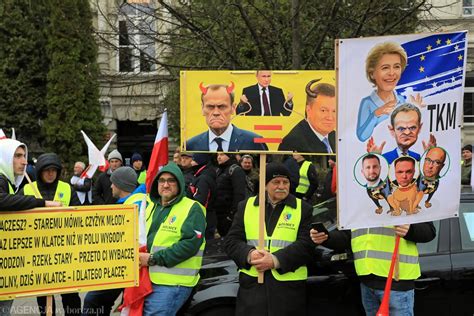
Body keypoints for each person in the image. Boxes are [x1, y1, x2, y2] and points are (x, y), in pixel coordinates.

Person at [225, 162, 313, 315]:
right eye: (276, 182)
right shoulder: (246, 206)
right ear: (264, 185)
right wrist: (249, 254)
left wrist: (275, 260)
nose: (281, 186)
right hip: (253, 289)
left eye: (285, 182)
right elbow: (232, 241)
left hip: (288, 290)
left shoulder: (303, 208)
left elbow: (306, 245)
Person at [311, 219, 435, 316]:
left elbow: (429, 231)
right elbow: (348, 236)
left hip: (396, 284)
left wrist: (410, 230)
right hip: (367, 284)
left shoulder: (403, 193)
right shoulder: (360, 202)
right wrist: (327, 238)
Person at [0, 139, 60, 316]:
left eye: (24, 156)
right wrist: (42, 203)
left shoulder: (9, 182)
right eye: (18, 156)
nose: (24, 161)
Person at [138, 162, 206, 316]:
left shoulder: (192, 208)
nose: (166, 185)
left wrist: (153, 259)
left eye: (171, 181)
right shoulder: (150, 207)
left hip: (172, 284)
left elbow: (190, 245)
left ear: (180, 184)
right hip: (146, 279)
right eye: (162, 181)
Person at [83, 166, 150, 316]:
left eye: (113, 183)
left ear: (121, 185)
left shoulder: (132, 205)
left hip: (125, 264)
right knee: (103, 301)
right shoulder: (135, 200)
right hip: (129, 264)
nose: (111, 186)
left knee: (92, 301)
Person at [20, 153, 81, 316]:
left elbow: (80, 216)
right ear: (39, 171)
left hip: (66, 251)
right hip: (40, 254)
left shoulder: (67, 188)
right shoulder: (27, 189)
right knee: (44, 296)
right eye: (46, 170)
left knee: (71, 295)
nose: (50, 173)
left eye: (54, 170)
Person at [186, 83, 268, 152]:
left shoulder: (254, 141)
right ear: (203, 109)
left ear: (233, 108)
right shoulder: (190, 145)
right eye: (210, 107)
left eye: (222, 107)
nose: (216, 113)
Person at [357, 42, 412, 142]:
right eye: (385, 68)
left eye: (396, 67)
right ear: (372, 73)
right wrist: (377, 114)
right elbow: (362, 136)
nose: (392, 73)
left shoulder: (401, 100)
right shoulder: (367, 103)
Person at [278, 80, 336, 153]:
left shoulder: (335, 136)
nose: (330, 117)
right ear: (308, 110)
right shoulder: (293, 142)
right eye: (323, 110)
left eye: (334, 111)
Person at [367, 103, 435, 164]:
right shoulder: (384, 159)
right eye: (401, 129)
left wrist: (431, 157)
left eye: (412, 128)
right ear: (392, 131)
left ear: (419, 128)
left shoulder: (417, 157)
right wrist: (375, 159)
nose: (407, 132)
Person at [213, 153, 247, 236]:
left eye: (222, 155)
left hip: (229, 216)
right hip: (220, 215)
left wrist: (232, 215)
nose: (219, 157)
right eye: (217, 155)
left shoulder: (236, 170)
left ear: (230, 155)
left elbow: (239, 195)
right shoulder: (219, 170)